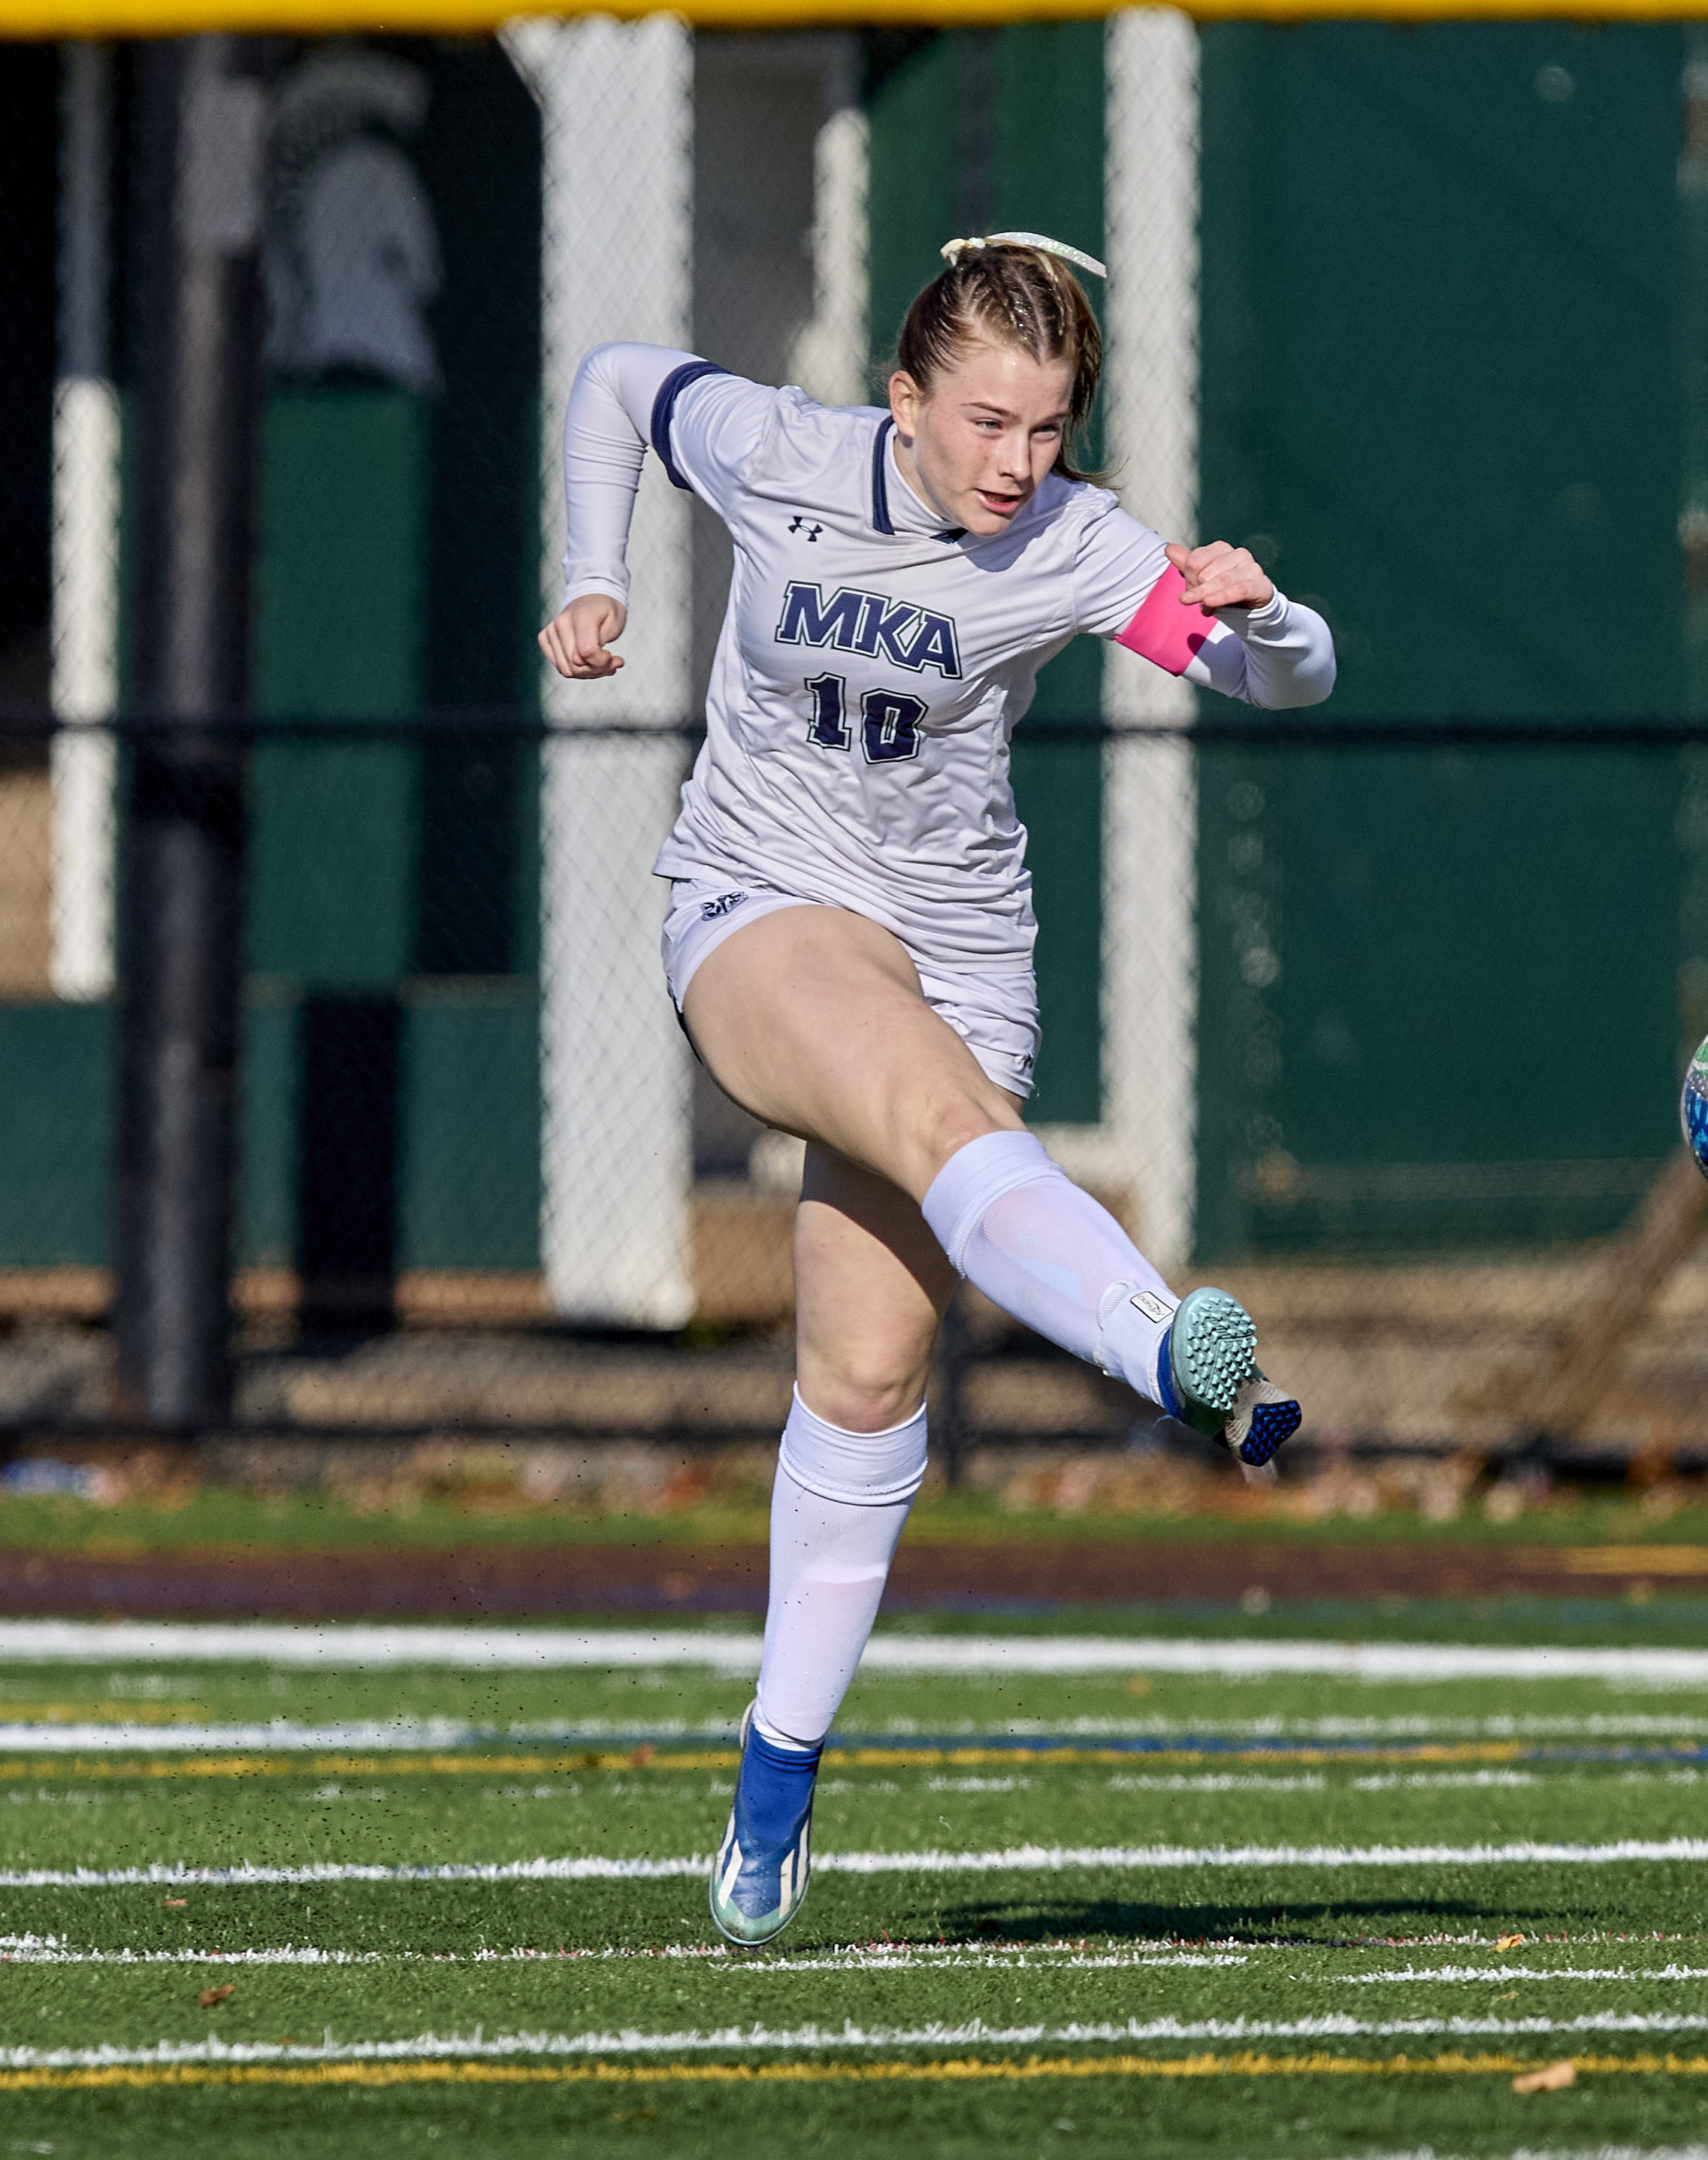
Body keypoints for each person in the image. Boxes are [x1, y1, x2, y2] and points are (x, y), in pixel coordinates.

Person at [535, 232, 1338, 1948]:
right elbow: (614, 383)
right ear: (900, 399)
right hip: (754, 909)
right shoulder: (782, 454)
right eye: (982, 420)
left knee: (867, 1364)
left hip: (958, 958)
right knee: (937, 1122)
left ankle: (772, 1777)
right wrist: (587, 573)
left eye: (1046, 429)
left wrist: (1275, 620)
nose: (1013, 462)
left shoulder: (1076, 545)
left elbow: (1278, 681)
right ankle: (1162, 1346)